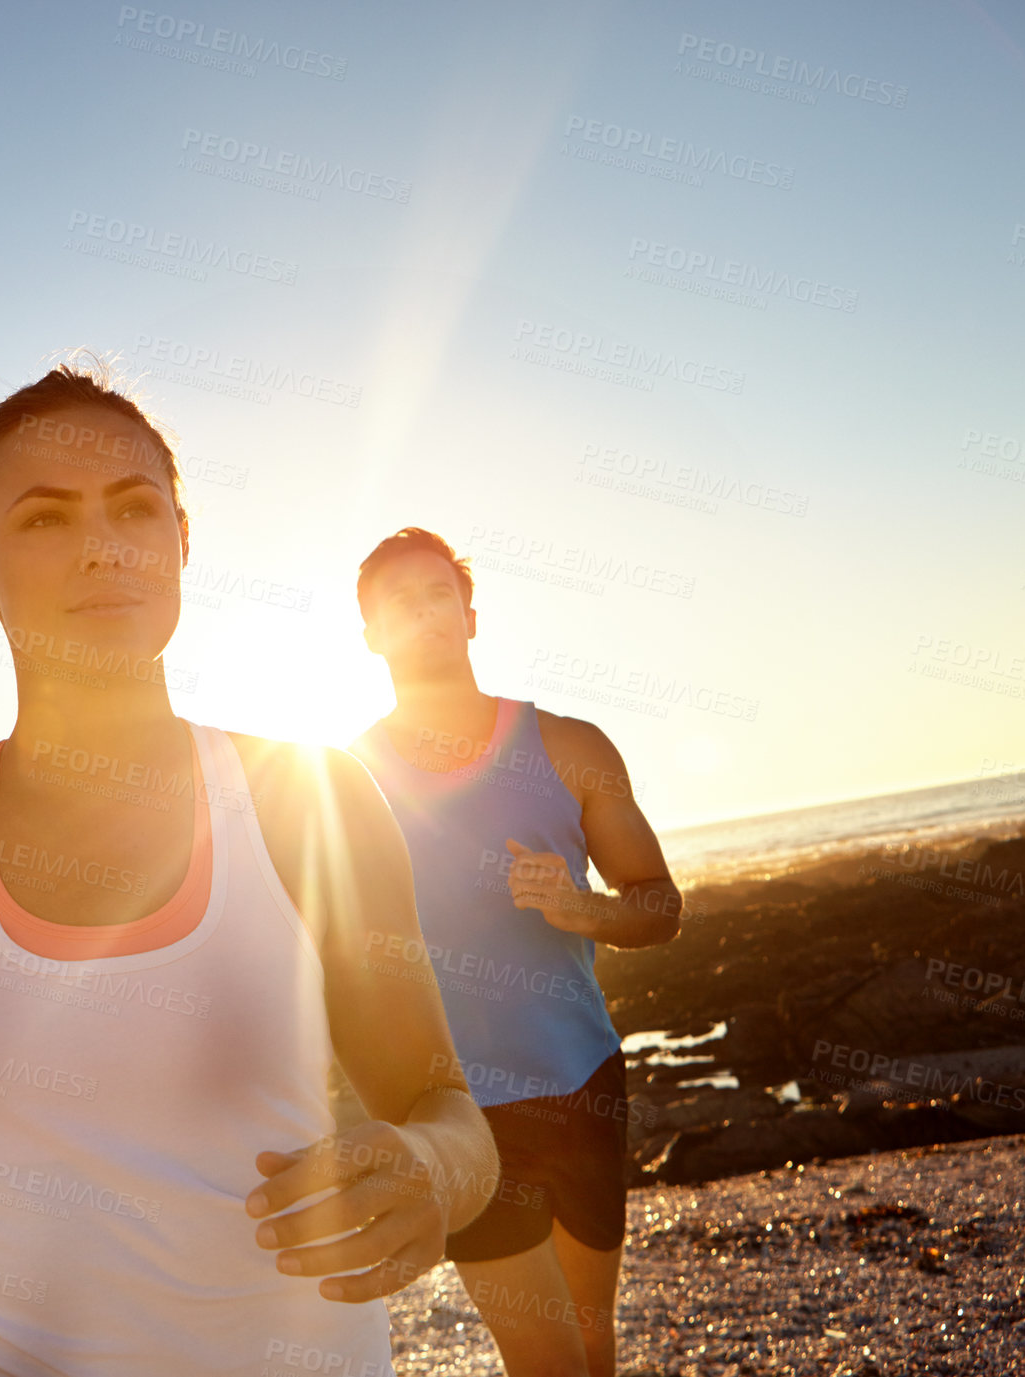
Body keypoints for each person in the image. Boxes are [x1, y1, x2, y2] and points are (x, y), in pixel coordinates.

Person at [0, 364, 498, 1377]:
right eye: (43, 520)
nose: (101, 550)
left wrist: (429, 1170)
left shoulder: (310, 802)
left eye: (134, 510)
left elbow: (448, 1110)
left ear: (180, 540)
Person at [347, 528, 682, 1377]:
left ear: (467, 615)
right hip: (456, 1107)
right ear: (369, 635)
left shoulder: (571, 746)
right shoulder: (347, 781)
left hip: (582, 1081)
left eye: (436, 594)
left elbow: (659, 904)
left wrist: (584, 908)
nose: (421, 614)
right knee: (543, 1356)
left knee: (590, 1338)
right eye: (397, 603)